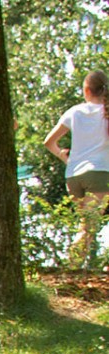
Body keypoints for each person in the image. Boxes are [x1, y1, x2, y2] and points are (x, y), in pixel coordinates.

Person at [45, 70, 109, 268]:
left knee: (86, 225)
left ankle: (75, 268)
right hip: (100, 174)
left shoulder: (74, 111)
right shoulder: (106, 113)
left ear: (87, 90)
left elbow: (49, 142)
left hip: (73, 177)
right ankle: (70, 269)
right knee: (88, 228)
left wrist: (64, 157)